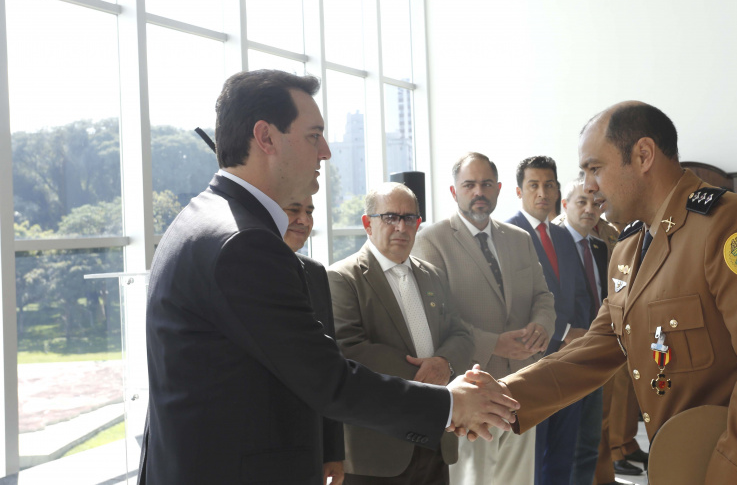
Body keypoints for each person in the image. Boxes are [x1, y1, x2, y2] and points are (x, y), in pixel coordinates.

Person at [140, 70, 519, 484]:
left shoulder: (203, 218)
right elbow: (327, 379)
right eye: (314, 136)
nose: (326, 152)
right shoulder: (245, 244)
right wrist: (450, 404)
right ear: (265, 138)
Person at [475, 101, 737, 484]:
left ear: (643, 155)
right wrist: (500, 396)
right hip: (687, 463)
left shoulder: (731, 228)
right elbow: (599, 346)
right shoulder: (628, 247)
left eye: (595, 168)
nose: (588, 185)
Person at [413, 152, 556, 485]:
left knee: (519, 479)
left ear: (499, 188)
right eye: (469, 185)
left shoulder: (519, 238)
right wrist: (494, 344)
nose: (479, 191)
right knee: (473, 480)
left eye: (487, 184)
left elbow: (543, 296)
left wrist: (542, 325)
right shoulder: (431, 241)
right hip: (471, 388)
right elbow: (436, 317)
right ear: (454, 191)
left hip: (522, 383)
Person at [328, 183, 474, 484]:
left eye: (409, 218)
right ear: (367, 223)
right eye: (390, 217)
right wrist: (427, 376)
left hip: (435, 439)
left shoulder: (433, 275)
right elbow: (350, 350)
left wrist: (444, 363)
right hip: (378, 449)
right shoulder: (341, 278)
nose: (401, 227)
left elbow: (460, 333)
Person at [505, 156, 591, 485]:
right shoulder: (507, 235)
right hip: (531, 360)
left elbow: (580, 292)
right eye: (534, 185)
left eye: (549, 185)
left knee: (563, 449)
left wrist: (580, 336)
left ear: (557, 191)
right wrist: (565, 332)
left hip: (569, 360)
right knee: (532, 451)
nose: (542, 192)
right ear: (519, 191)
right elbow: (516, 302)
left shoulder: (564, 236)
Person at [558, 177, 646, 485]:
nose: (589, 209)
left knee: (598, 424)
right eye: (581, 202)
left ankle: (605, 473)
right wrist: (565, 332)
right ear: (565, 205)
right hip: (568, 347)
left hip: (605, 336)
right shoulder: (556, 242)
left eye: (595, 203)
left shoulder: (598, 242)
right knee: (573, 433)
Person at [282, 195, 345, 485]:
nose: (304, 220)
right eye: (294, 210)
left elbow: (331, 363)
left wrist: (333, 452)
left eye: (309, 211)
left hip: (312, 441)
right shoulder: (244, 271)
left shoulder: (317, 273)